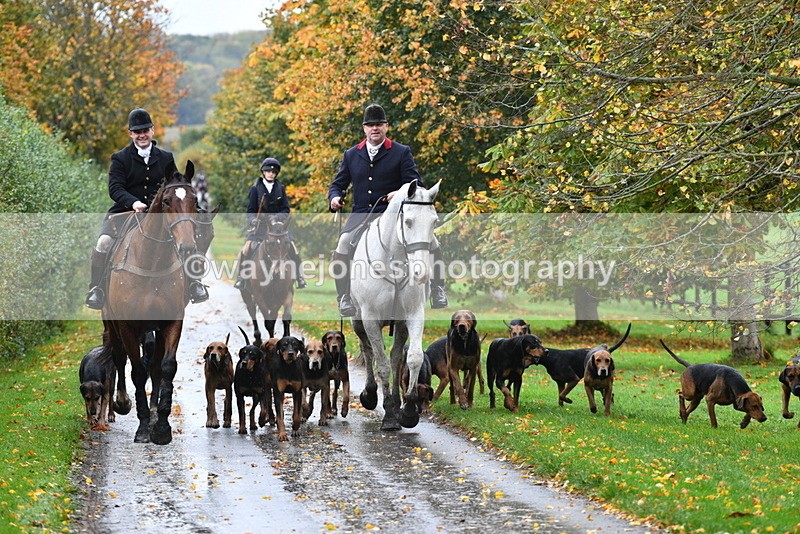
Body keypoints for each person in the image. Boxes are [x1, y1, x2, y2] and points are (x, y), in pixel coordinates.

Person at [328, 103, 448, 317]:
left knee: (432, 242)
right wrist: (335, 198)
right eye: (371, 125)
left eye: (379, 125)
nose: (375, 128)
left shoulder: (401, 152)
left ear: (386, 127)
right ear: (364, 129)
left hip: (393, 214)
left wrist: (400, 192)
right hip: (362, 213)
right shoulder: (351, 155)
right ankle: (344, 296)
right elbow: (338, 183)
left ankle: (438, 288)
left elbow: (415, 183)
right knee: (343, 244)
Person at [85, 108, 209, 309]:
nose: (142, 134)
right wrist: (133, 202)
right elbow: (115, 188)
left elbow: (175, 185)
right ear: (131, 134)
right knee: (104, 242)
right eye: (137, 131)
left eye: (145, 130)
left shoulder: (166, 156)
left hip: (160, 215)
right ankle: (96, 289)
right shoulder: (120, 158)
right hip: (126, 212)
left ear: (152, 131)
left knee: (184, 240)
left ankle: (194, 283)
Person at [233, 157, 307, 290]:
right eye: (268, 171)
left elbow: (286, 210)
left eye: (273, 172)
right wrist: (253, 220)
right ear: (263, 172)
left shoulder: (281, 188)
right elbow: (250, 211)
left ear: (276, 174)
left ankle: (299, 277)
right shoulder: (255, 189)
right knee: (246, 249)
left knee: (294, 249)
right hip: (260, 227)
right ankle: (242, 278)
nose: (270, 174)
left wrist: (276, 217)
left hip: (278, 227)